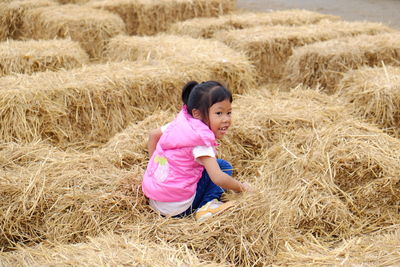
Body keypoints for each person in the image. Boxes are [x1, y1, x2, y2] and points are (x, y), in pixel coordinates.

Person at [142, 80, 251, 221]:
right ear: (197, 114)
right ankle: (208, 206)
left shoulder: (181, 124)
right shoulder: (200, 141)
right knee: (223, 166)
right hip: (178, 209)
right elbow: (217, 177)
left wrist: (153, 167)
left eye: (228, 113)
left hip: (156, 200)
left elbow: (153, 135)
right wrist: (243, 188)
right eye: (218, 113)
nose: (226, 119)